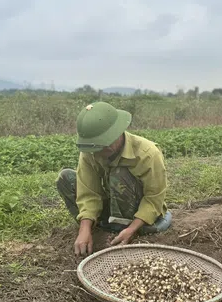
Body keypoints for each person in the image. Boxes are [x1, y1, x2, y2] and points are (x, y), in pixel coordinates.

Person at [56, 101, 172, 256]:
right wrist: (84, 229)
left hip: (136, 210)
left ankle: (123, 227)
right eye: (95, 148)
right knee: (66, 178)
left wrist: (132, 229)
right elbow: (88, 192)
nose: (98, 154)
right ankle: (103, 224)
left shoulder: (148, 153)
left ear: (117, 134)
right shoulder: (91, 151)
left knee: (119, 173)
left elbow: (154, 198)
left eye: (102, 147)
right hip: (112, 203)